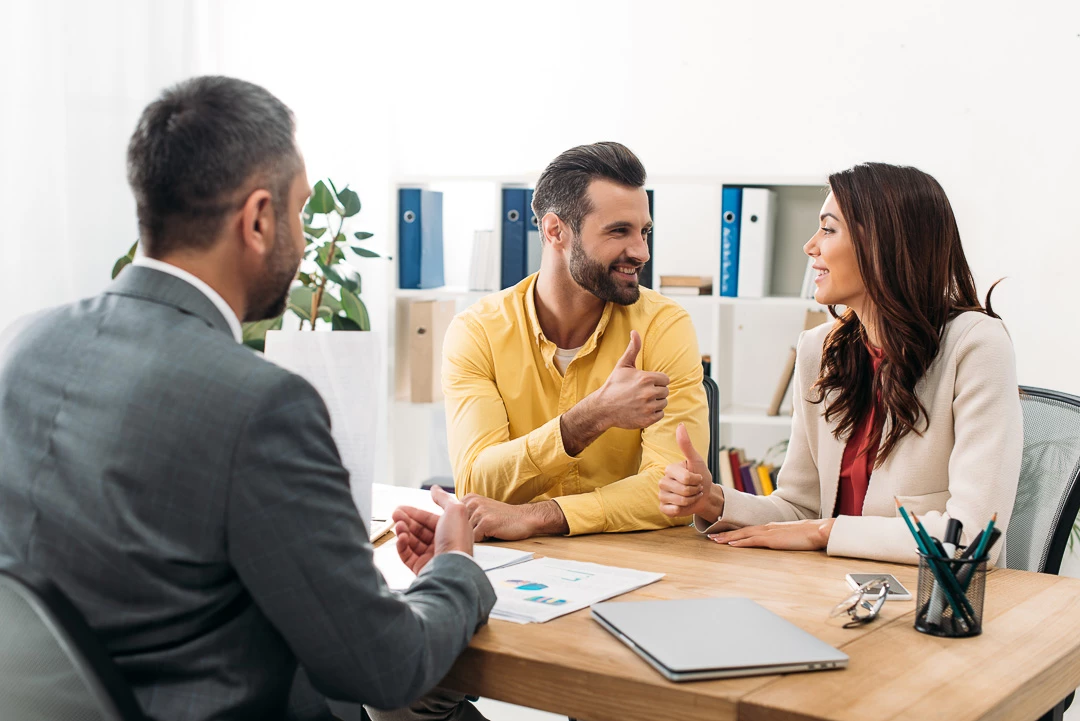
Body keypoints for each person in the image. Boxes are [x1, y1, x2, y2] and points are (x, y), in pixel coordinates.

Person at [0, 76, 494, 721]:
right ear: (259, 219)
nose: (302, 235)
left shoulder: (24, 344)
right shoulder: (259, 404)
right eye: (297, 211)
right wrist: (456, 568)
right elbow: (385, 666)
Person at [659, 162, 1021, 565]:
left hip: (934, 603)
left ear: (883, 244)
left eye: (828, 229)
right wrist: (712, 499)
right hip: (831, 591)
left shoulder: (975, 346)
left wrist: (826, 531)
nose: (810, 246)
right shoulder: (819, 350)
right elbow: (799, 508)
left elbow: (972, 538)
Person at [443, 142, 710, 540]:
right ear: (556, 231)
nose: (641, 251)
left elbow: (673, 492)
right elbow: (477, 484)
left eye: (644, 231)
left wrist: (541, 515)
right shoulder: (478, 331)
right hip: (516, 562)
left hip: (636, 559)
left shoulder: (663, 325)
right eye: (619, 231)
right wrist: (591, 417)